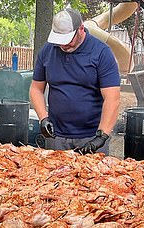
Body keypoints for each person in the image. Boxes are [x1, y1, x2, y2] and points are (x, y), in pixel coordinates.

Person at [29, 8, 120, 154]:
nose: (63, 45)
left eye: (67, 40)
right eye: (59, 41)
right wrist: (43, 118)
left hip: (91, 136)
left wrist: (102, 136)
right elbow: (36, 89)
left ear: (81, 29)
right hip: (55, 136)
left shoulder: (102, 52)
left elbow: (112, 98)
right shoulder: (47, 51)